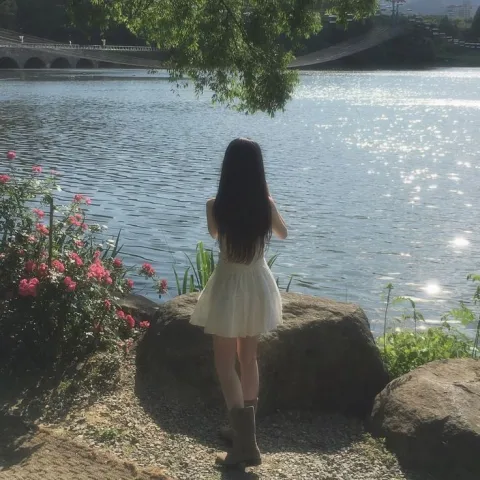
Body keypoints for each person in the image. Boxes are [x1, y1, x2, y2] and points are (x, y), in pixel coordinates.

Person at [190, 138, 288, 468]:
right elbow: (283, 233)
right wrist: (268, 201)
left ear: (227, 169)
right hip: (258, 284)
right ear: (259, 171)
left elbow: (215, 235)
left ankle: (245, 444)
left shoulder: (215, 206)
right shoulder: (265, 206)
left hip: (228, 285)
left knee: (224, 364)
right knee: (248, 359)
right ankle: (245, 435)